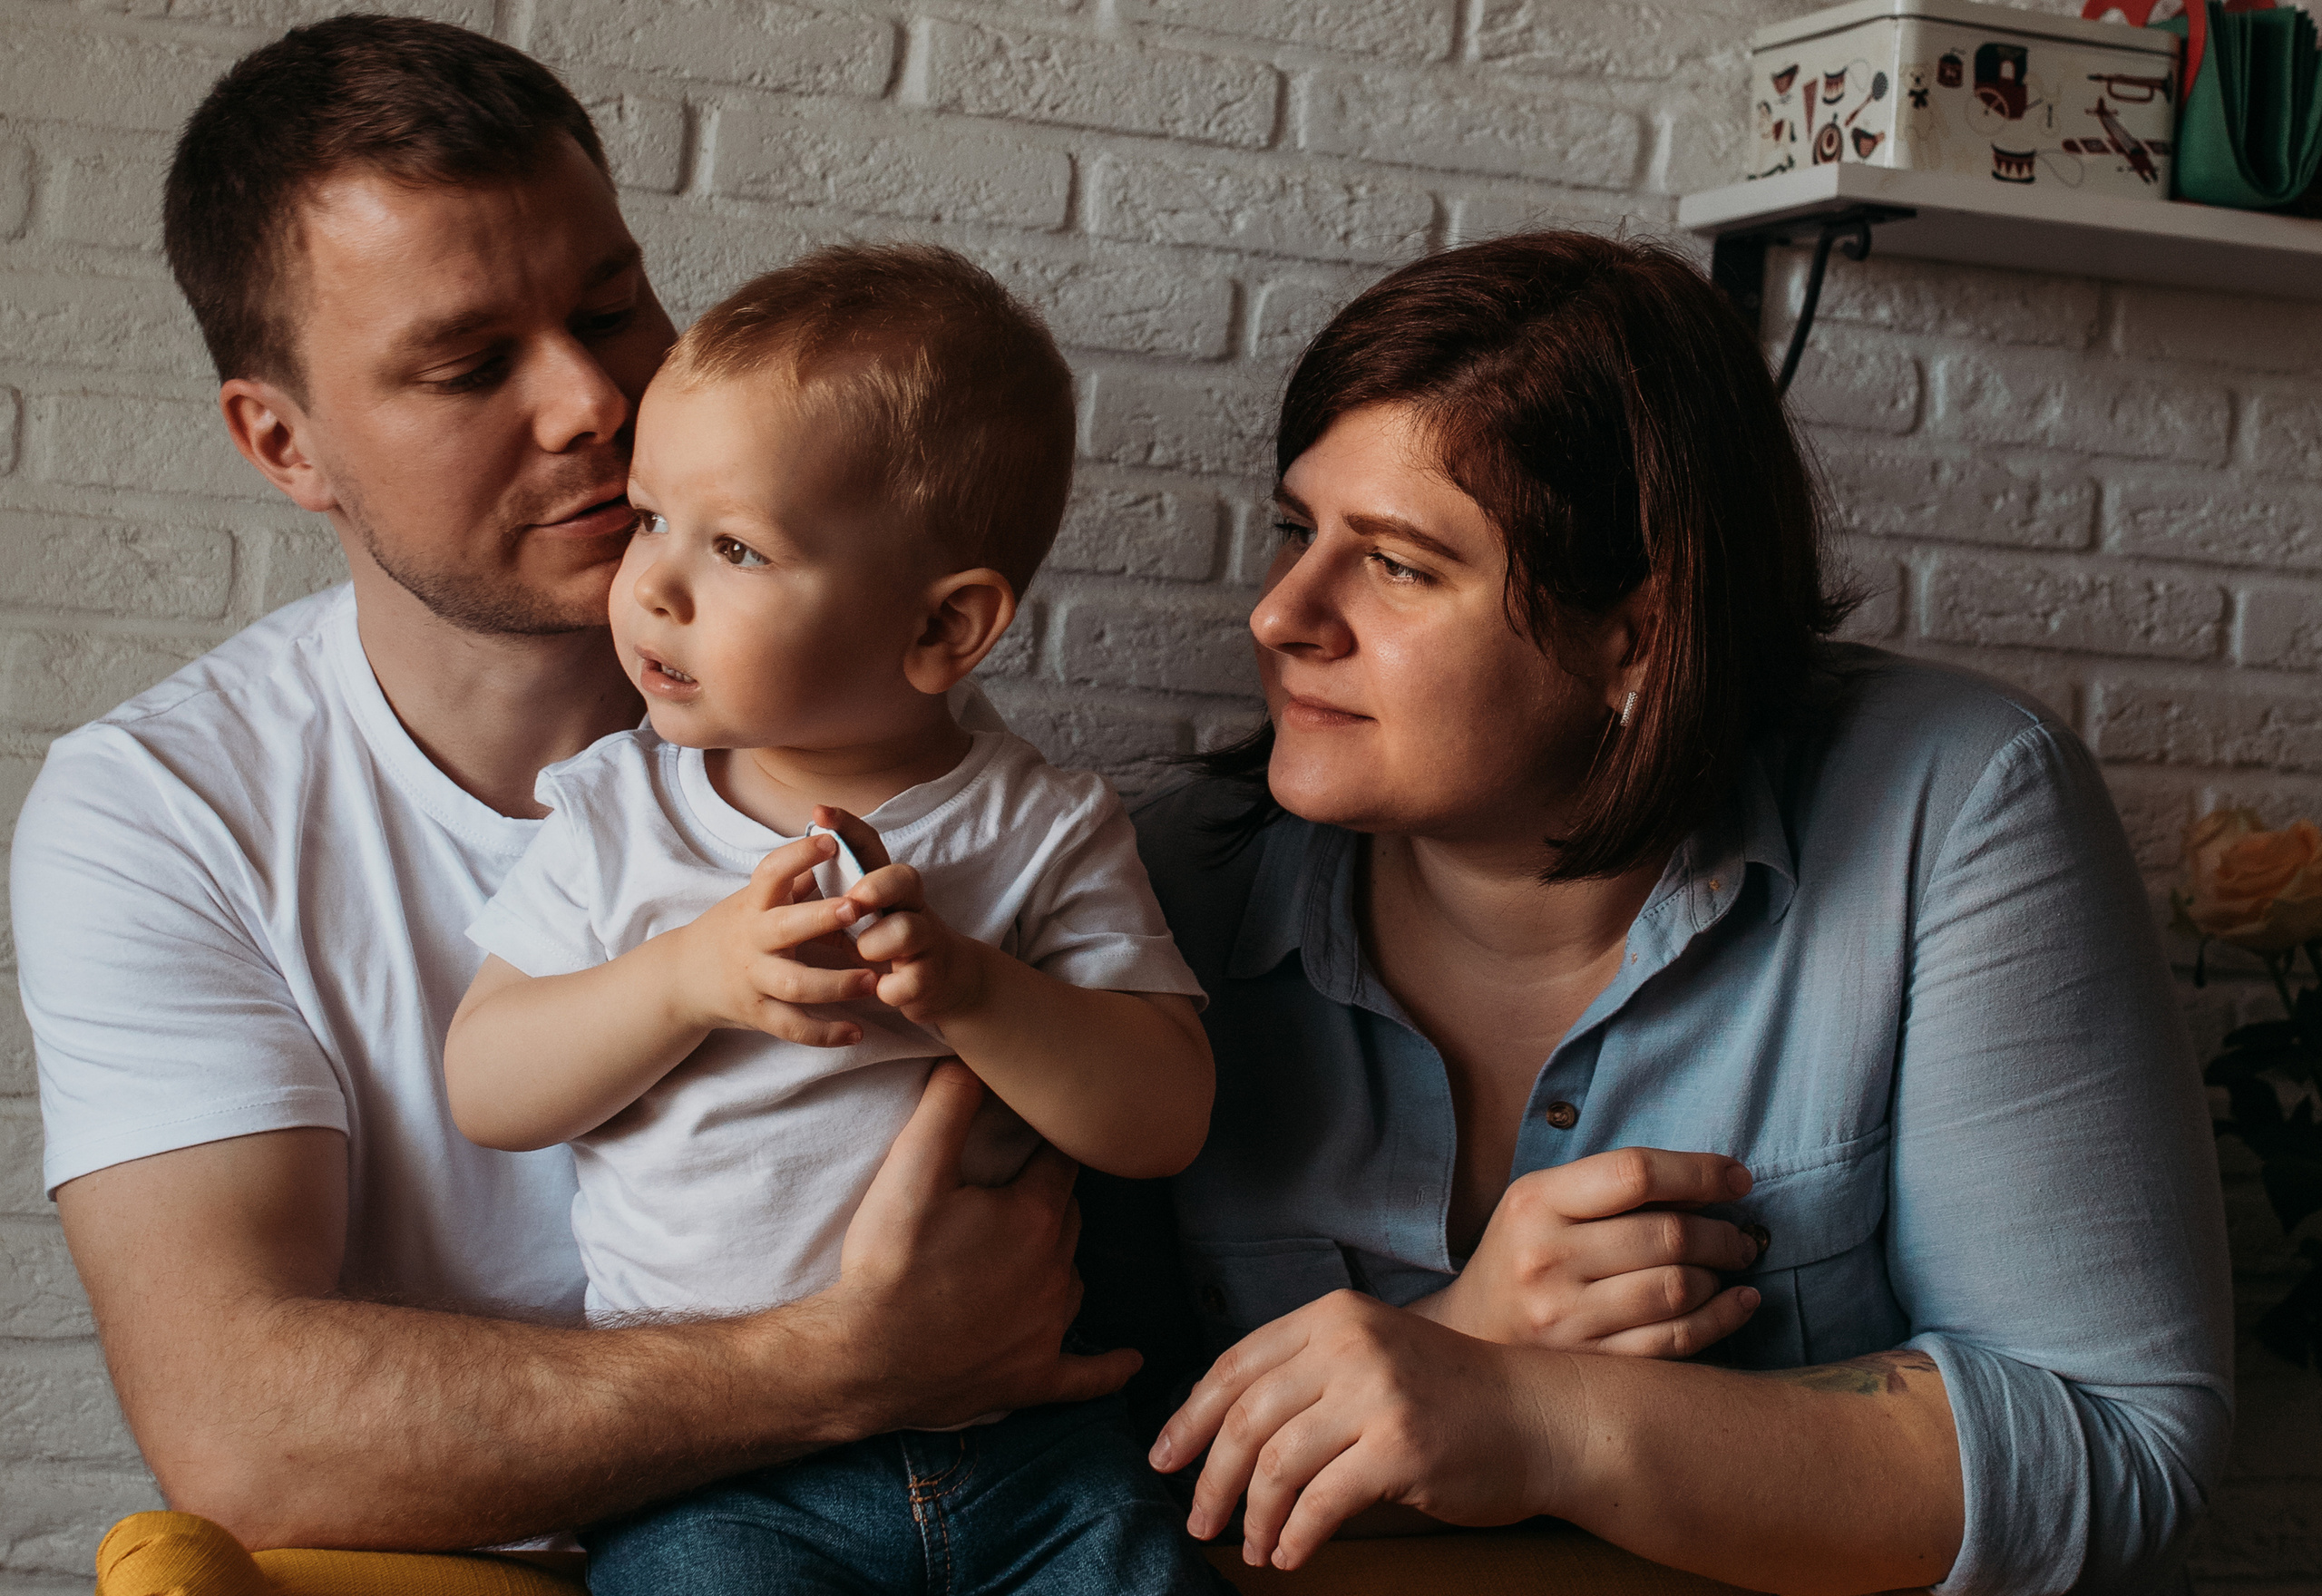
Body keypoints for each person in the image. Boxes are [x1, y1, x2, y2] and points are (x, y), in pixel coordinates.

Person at [14, 18, 1138, 1566]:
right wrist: (845, 1364)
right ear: (284, 442)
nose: (595, 402)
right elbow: (240, 1432)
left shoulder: (828, 683)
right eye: (469, 364)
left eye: (614, 307)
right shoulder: (159, 816)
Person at [1128, 232, 2234, 1594]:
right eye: (1301, 533)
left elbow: (2116, 1448)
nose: (1280, 613)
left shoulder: (1953, 808)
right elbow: (1052, 1485)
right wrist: (1462, 1339)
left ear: (1638, 636)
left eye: (1401, 565)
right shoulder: (1166, 886)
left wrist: (1535, 1417)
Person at [440, 246, 1224, 1594]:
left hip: (1036, 1450)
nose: (656, 586)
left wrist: (976, 994)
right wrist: (686, 980)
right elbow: (487, 1083)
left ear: (944, 628)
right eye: (648, 519)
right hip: (724, 1471)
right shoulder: (623, 814)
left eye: (735, 547)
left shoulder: (1039, 828)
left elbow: (1165, 1117)